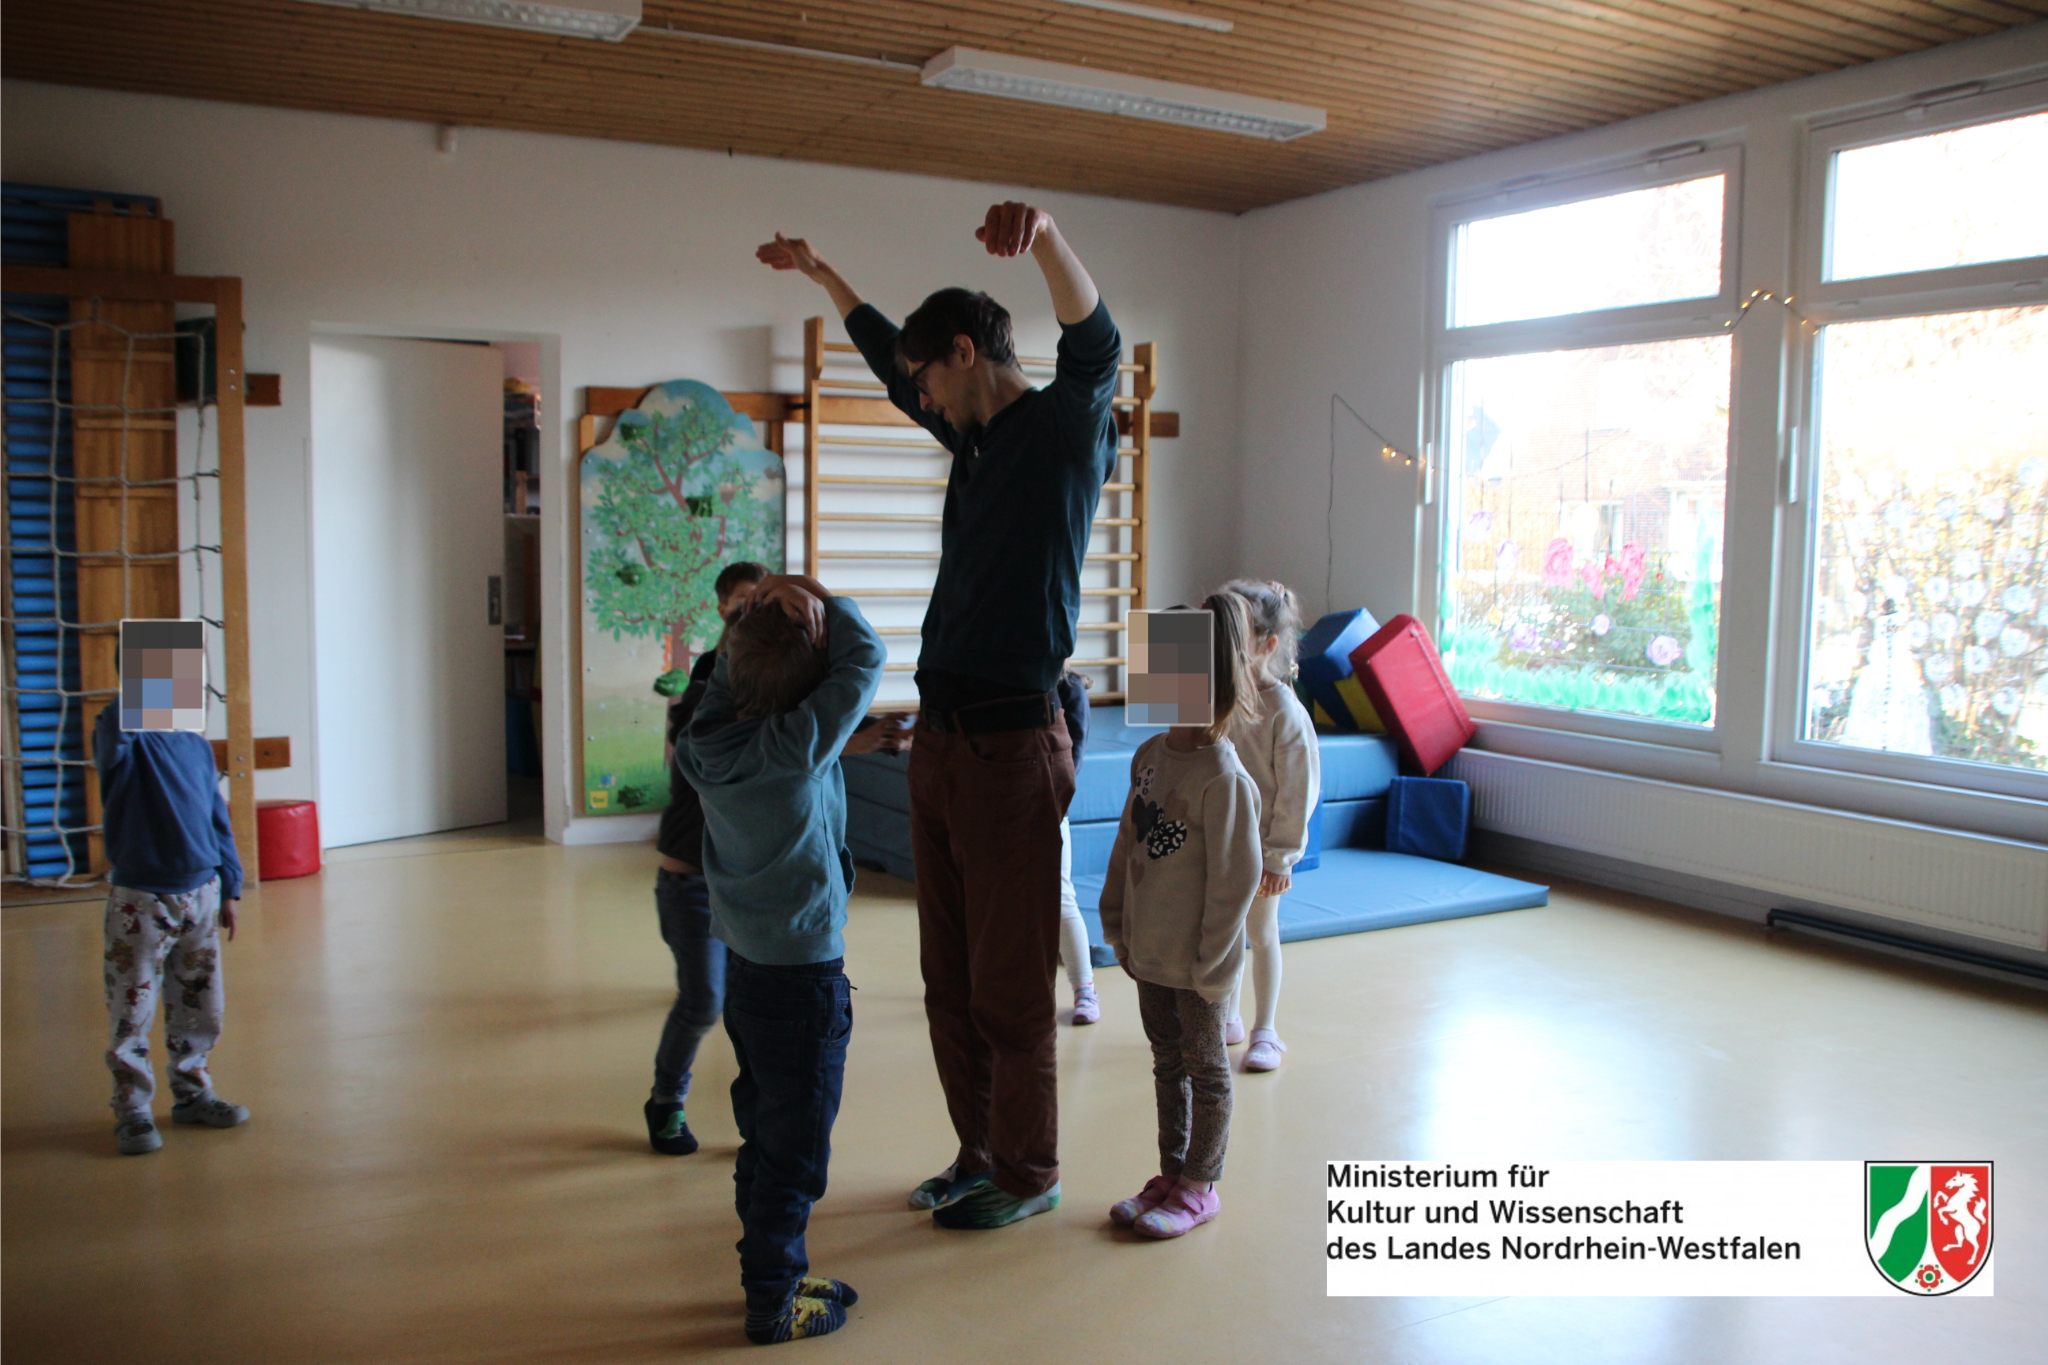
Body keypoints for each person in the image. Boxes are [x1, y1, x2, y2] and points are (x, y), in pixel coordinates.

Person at [758, 201, 1119, 1230]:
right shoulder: (970, 438)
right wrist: (824, 272)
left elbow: (1096, 346)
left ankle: (1028, 1172)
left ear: (966, 353)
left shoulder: (1062, 432)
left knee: (1008, 984)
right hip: (946, 739)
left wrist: (1045, 237)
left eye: (928, 379)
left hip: (1012, 744)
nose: (919, 397)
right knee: (947, 977)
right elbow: (887, 355)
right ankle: (978, 1151)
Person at [676, 573, 884, 1346]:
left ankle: (775, 1269)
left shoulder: (703, 745)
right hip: (803, 979)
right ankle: (772, 1296)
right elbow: (866, 659)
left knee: (766, 1131)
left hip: (747, 970)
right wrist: (811, 591)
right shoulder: (797, 745)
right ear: (807, 689)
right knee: (795, 1152)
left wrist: (760, 609)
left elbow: (724, 682)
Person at [1098, 593, 1264, 1239]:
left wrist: (1212, 968)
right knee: (1166, 1064)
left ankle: (1201, 1184)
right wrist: (1118, 924)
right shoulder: (1149, 756)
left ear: (1209, 679)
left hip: (1197, 965)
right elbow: (1127, 845)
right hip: (1150, 951)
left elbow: (1235, 882)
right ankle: (1171, 1173)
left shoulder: (1222, 777)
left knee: (1206, 1070)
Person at [645, 560, 767, 1155]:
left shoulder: (775, 703)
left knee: (750, 1010)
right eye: (745, 604)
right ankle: (666, 1101)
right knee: (702, 1003)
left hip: (744, 884)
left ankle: (759, 1120)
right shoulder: (704, 700)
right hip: (692, 885)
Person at [93, 697, 249, 1156]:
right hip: (141, 901)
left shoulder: (196, 746)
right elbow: (116, 727)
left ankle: (193, 1093)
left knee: (201, 1006)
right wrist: (143, 682)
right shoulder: (124, 739)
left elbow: (217, 819)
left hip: (201, 894)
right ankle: (133, 1111)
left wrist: (230, 886)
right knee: (132, 1010)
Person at [1216, 579, 1320, 1073]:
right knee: (1223, 933)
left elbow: (1298, 791)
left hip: (1262, 847)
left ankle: (1266, 1030)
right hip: (1221, 840)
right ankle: (1228, 1017)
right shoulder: (1221, 695)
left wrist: (1280, 857)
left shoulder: (1285, 711)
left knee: (1261, 932)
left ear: (1268, 645)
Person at [1055, 669, 1100, 1025]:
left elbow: (1075, 755)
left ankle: (1084, 988)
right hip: (1003, 804)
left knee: (1061, 898)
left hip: (1049, 805)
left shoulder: (1068, 688)